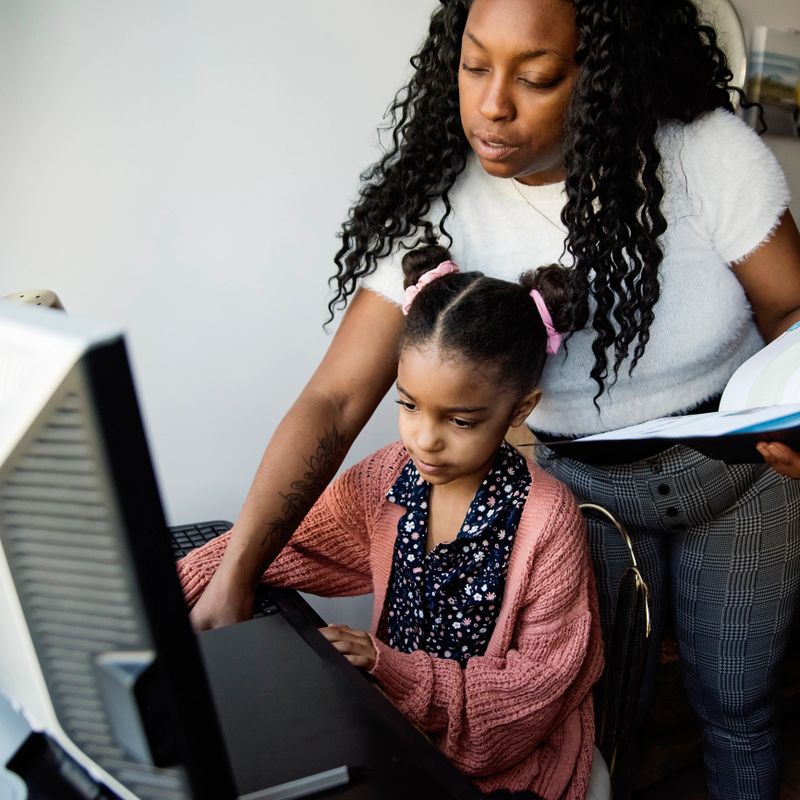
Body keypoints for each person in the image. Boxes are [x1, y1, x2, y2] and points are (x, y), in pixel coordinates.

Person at [191, 1, 800, 797]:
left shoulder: (703, 153)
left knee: (738, 704)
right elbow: (337, 400)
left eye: (537, 76)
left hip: (740, 477)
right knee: (611, 711)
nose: (491, 105)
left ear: (606, 80)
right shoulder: (438, 195)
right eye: (475, 65)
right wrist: (237, 574)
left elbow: (790, 311)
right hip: (592, 494)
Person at [178, 246, 605, 800]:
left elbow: (533, 698)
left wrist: (391, 670)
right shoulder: (389, 477)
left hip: (505, 765)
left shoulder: (547, 522)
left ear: (519, 410)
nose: (424, 439)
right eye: (408, 405)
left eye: (460, 420)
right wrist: (179, 584)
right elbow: (296, 544)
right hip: (395, 729)